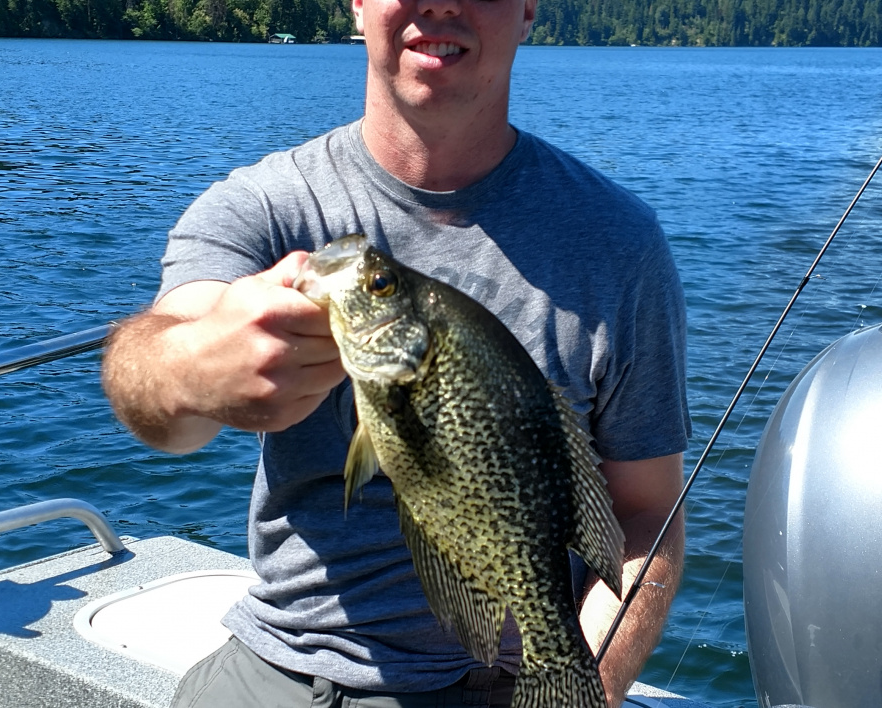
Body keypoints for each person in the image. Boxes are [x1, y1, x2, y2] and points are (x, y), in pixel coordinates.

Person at [101, 0, 691, 702]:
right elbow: (158, 391)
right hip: (286, 662)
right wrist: (195, 369)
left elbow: (645, 515)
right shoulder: (265, 206)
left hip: (499, 683)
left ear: (529, 7)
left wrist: (579, 687)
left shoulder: (619, 244)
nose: (441, 3)